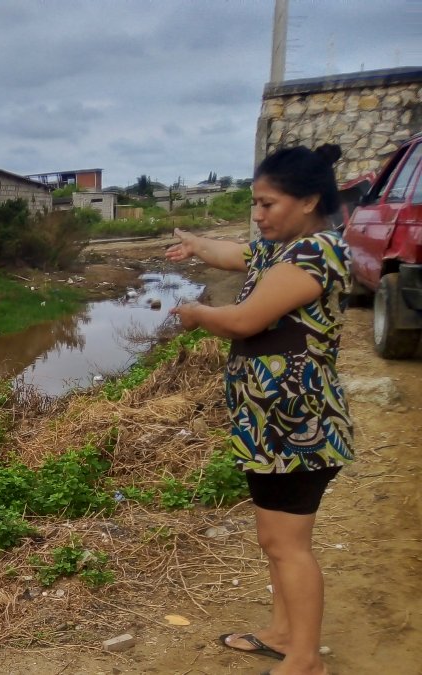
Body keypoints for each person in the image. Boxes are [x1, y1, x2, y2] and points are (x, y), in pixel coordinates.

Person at [166, 144, 351, 675]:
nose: (259, 214)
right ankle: (281, 633)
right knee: (275, 538)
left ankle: (305, 659)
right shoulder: (286, 249)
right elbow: (234, 254)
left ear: (309, 199)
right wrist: (196, 244)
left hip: (300, 425)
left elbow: (246, 321)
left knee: (287, 544)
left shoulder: (316, 252)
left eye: (268, 204)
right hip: (271, 425)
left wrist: (199, 313)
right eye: (255, 203)